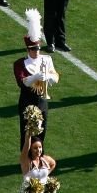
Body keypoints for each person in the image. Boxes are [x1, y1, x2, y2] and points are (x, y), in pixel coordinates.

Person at [14, 9, 59, 147]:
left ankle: (38, 157)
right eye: (33, 49)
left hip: (42, 100)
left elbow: (56, 77)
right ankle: (26, 159)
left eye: (38, 48)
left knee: (42, 131)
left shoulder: (47, 59)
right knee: (27, 133)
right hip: (28, 102)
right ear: (28, 49)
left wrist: (48, 77)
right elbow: (23, 82)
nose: (37, 51)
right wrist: (37, 76)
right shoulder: (20, 63)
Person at [20, 128, 57, 193]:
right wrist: (29, 133)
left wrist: (46, 177)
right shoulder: (26, 162)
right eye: (35, 148)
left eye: (40, 147)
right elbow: (26, 146)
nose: (38, 150)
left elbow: (53, 163)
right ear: (30, 150)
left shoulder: (44, 159)